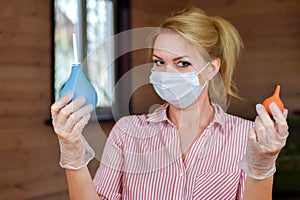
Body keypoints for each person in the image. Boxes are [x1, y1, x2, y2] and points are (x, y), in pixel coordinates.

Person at [51, 7, 289, 200]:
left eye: (182, 63)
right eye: (159, 62)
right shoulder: (127, 132)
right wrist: (73, 156)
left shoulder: (244, 136)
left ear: (211, 68)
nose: (167, 73)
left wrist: (261, 168)